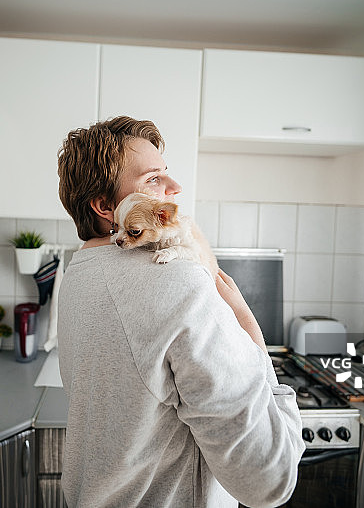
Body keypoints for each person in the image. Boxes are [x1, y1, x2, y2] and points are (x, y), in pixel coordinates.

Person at [56, 116, 305, 507]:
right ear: (106, 206)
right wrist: (248, 327)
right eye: (153, 179)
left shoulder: (78, 273)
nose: (174, 188)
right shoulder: (176, 281)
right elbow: (268, 480)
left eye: (166, 174)